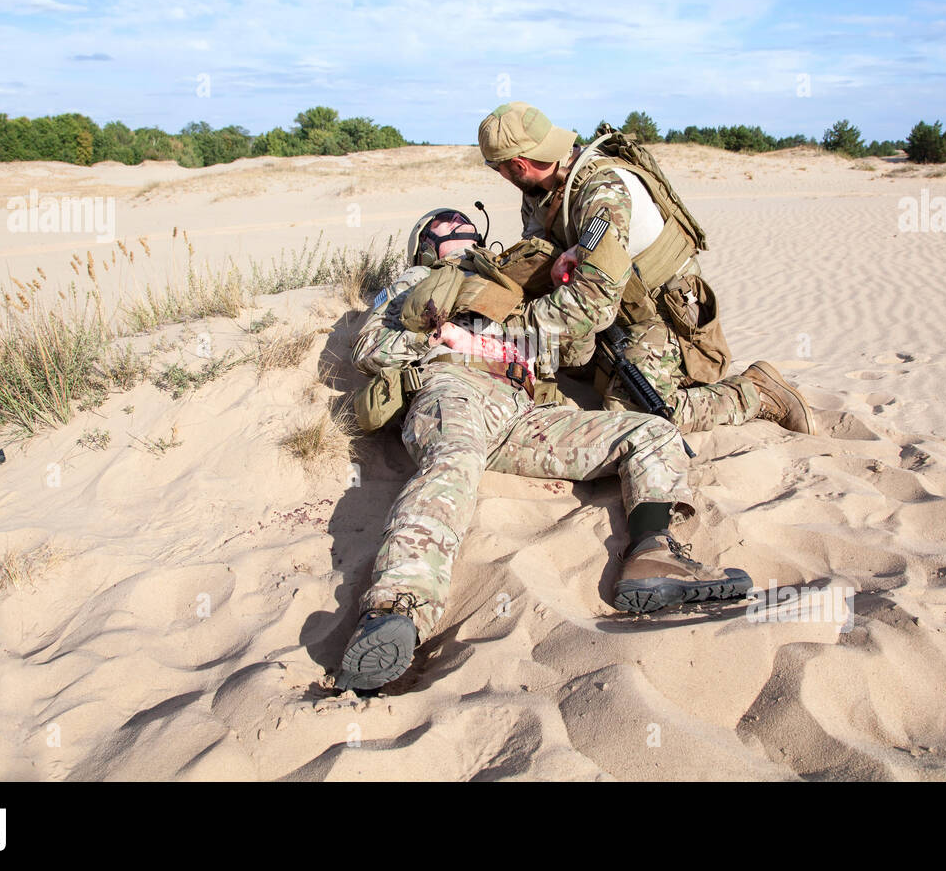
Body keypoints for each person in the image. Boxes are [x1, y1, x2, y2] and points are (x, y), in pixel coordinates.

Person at [336, 208, 751, 691]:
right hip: (455, 387)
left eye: (468, 224)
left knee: (650, 433)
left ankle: (653, 553)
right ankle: (396, 609)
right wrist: (445, 335)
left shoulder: (514, 279)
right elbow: (370, 349)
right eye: (445, 227)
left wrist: (562, 296)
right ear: (425, 244)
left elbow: (569, 351)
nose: (461, 229)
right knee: (454, 464)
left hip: (523, 410)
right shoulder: (415, 280)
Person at [478, 101, 817, 436]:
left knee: (634, 413)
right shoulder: (542, 192)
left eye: (498, 169)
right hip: (617, 309)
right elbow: (540, 257)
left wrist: (504, 332)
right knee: (552, 362)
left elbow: (592, 303)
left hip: (663, 316)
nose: (501, 176)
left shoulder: (603, 192)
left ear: (519, 165)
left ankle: (754, 393)